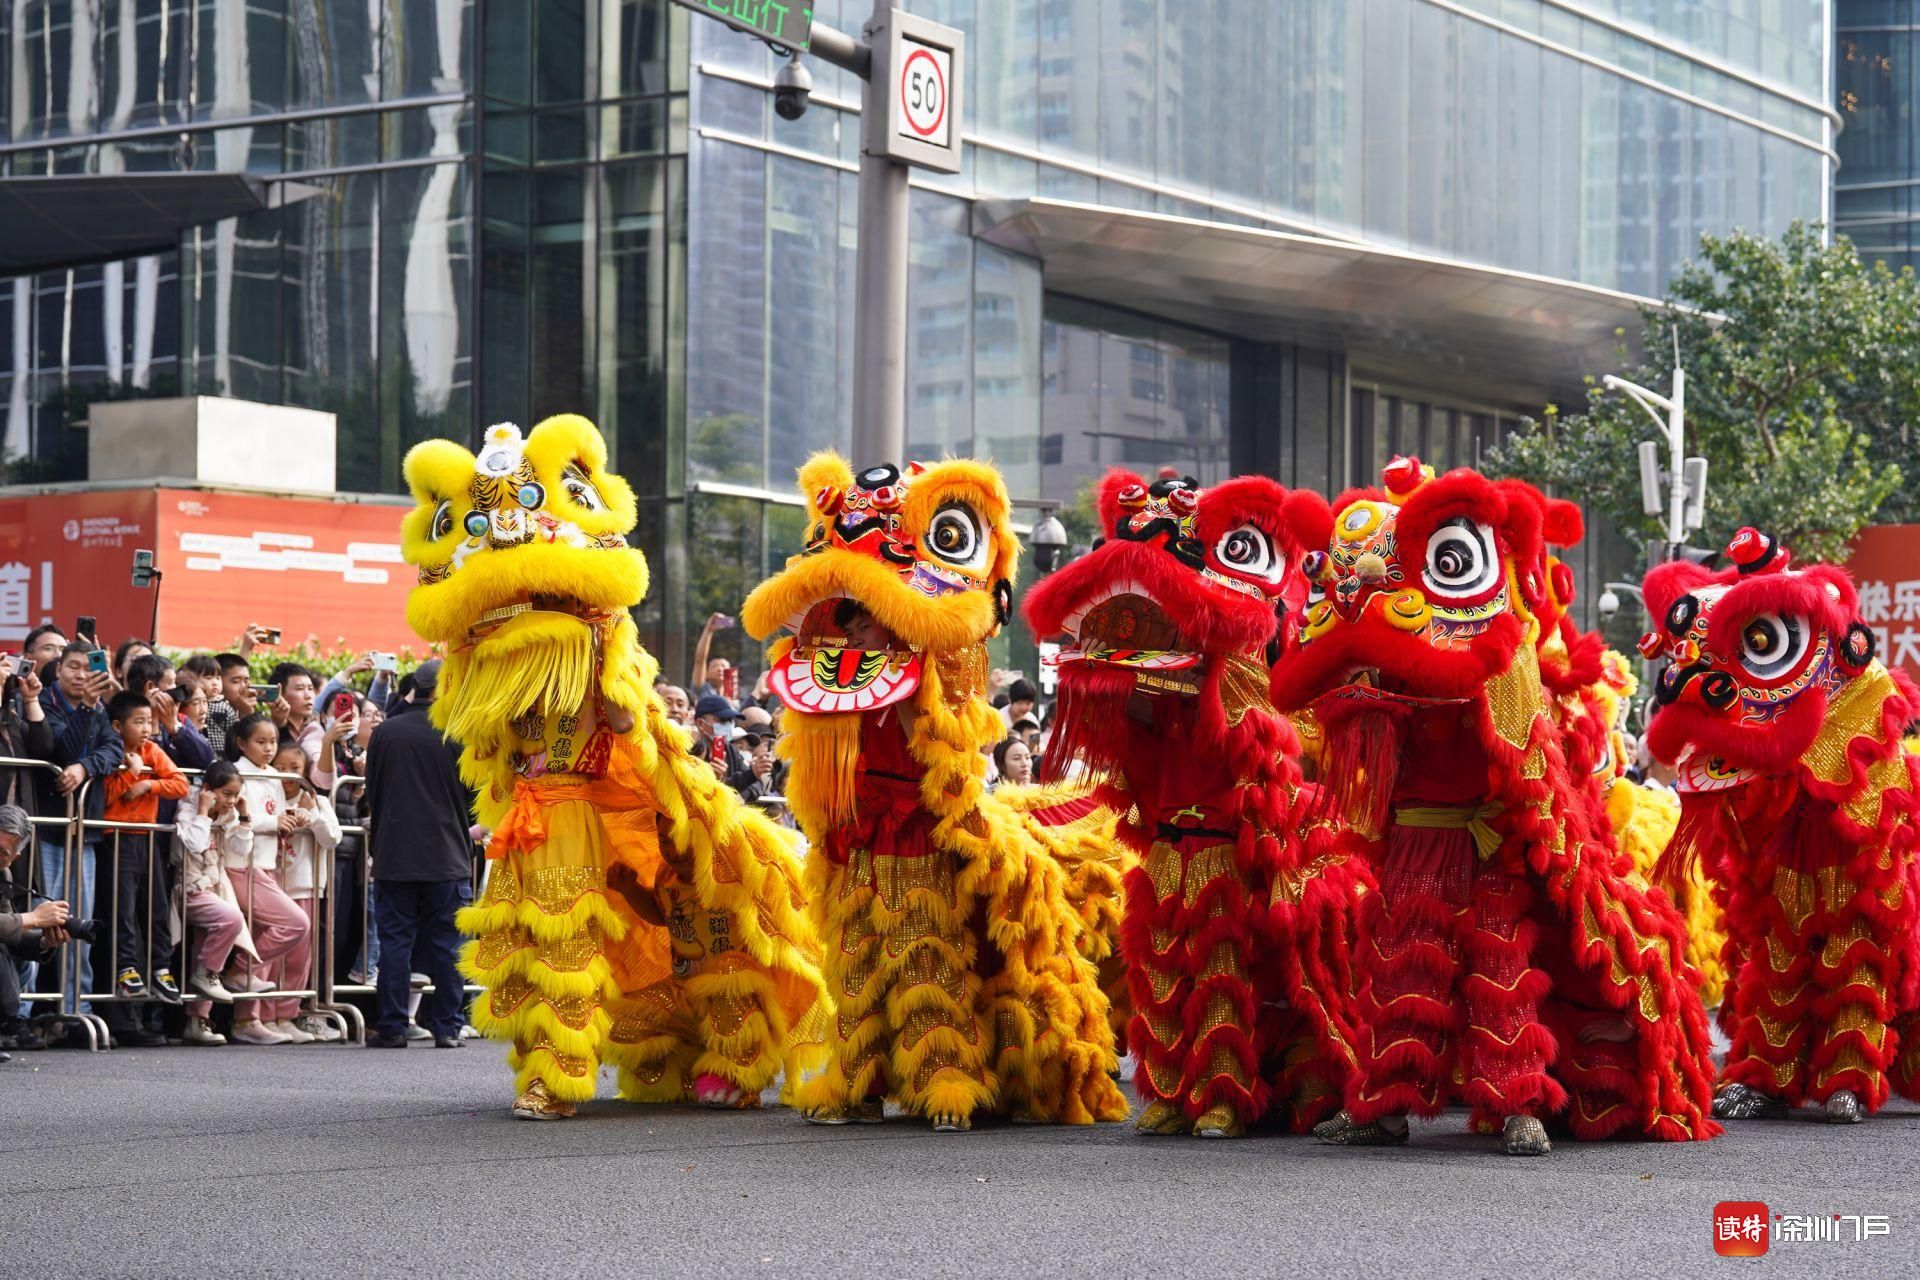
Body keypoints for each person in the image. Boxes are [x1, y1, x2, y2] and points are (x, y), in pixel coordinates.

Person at [359, 659, 470, 1050]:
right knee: (448, 945)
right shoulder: (459, 733)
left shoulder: (386, 732)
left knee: (395, 942)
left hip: (395, 854)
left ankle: (392, 1026)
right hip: (448, 854)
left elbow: (372, 789)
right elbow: (475, 797)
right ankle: (447, 1027)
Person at [36, 642, 124, 1022]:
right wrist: (87, 710)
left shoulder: (101, 709)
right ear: (59, 670)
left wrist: (86, 768)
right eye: (73, 667)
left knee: (79, 927)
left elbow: (114, 750)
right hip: (48, 831)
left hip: (84, 833)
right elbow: (60, 751)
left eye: (87, 668)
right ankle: (21, 1011)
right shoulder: (45, 702)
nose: (81, 675)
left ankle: (77, 1009)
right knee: (38, 922)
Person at [223, 713, 313, 1045]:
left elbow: (275, 813)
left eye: (272, 741)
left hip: (266, 866)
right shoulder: (238, 772)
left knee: (265, 934)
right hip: (241, 864)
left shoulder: (274, 774)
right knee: (295, 924)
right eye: (260, 742)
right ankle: (239, 974)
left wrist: (294, 816)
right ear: (242, 743)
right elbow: (234, 817)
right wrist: (274, 822)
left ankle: (247, 1019)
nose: (268, 748)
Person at [100, 690, 188, 1021]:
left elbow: (179, 783)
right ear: (118, 725)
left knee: (156, 908)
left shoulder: (153, 751)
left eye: (149, 721)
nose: (147, 728)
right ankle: (125, 969)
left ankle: (161, 968)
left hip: (148, 838)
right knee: (123, 909)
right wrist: (131, 774)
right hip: (117, 838)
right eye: (139, 722)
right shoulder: (110, 752)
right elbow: (103, 796)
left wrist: (149, 786)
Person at [259, 741, 343, 1044]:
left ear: (306, 770)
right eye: (280, 767)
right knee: (269, 957)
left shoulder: (316, 799)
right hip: (271, 884)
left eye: (294, 768)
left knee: (297, 959)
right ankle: (263, 1016)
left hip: (303, 885)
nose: (286, 774)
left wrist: (313, 815)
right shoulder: (266, 797)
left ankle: (287, 1015)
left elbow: (333, 837)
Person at [172, 762, 259, 1047]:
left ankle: (197, 1021)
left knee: (206, 943)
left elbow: (241, 849)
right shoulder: (188, 811)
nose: (231, 801)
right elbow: (195, 844)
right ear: (208, 790)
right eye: (226, 793)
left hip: (213, 889)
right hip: (189, 890)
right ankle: (207, 973)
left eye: (236, 795)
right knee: (232, 919)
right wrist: (201, 810)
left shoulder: (227, 815)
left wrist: (243, 816)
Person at [0, 803, 67, 1053]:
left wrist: (44, 942)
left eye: (2, 852)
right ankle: (10, 1023)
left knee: (25, 961)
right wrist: (33, 918)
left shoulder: (3, 874)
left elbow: (8, 932)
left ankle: (8, 1022)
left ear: (15, 857)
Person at [205, 653, 257, 757]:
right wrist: (246, 717)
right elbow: (234, 752)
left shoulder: (242, 709)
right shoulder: (213, 711)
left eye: (246, 681)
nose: (243, 687)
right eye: (236, 681)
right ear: (218, 683)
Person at [690, 693, 749, 787]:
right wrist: (709, 777)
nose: (728, 725)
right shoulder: (690, 749)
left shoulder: (730, 749)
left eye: (730, 720)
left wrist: (755, 772)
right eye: (722, 720)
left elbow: (750, 780)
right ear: (700, 723)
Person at [689, 612, 736, 701]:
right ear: (706, 674)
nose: (720, 669)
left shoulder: (731, 694)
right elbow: (700, 660)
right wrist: (708, 630)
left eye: (723, 666)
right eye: (715, 666)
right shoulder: (701, 689)